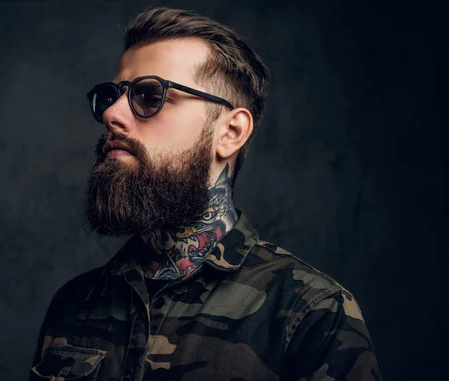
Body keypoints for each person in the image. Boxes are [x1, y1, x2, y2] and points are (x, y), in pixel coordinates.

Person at [29, 7, 380, 381]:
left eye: (150, 96)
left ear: (230, 132)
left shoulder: (311, 314)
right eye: (112, 95)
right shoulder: (74, 304)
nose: (112, 114)